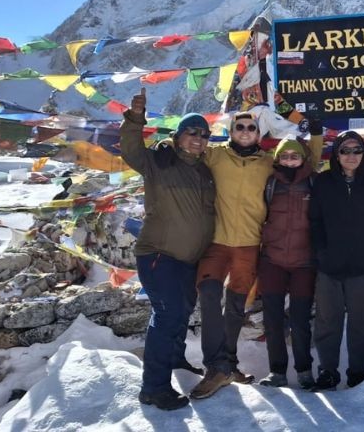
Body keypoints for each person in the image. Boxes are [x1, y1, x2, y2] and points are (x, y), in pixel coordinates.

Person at [120, 89, 215, 411]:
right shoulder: (160, 161)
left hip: (189, 259)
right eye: (192, 132)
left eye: (204, 134)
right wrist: (135, 119)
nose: (199, 139)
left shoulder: (205, 171)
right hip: (159, 255)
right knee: (167, 315)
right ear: (178, 137)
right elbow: (131, 151)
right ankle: (154, 388)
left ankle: (176, 360)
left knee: (182, 312)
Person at [190, 110, 272, 399]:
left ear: (259, 134)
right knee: (209, 294)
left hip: (249, 244)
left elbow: (302, 165)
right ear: (231, 130)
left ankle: (229, 364)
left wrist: (312, 135)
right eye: (240, 127)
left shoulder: (268, 163)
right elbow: (188, 151)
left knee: (236, 306)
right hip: (217, 242)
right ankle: (215, 367)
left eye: (252, 127)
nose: (246, 131)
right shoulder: (216, 156)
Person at [309, 131, 364, 390]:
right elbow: (314, 220)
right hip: (330, 266)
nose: (351, 156)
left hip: (363, 265)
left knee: (360, 324)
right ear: (336, 155)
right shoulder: (324, 182)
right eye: (345, 151)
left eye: (356, 150)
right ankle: (327, 371)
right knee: (327, 321)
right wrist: (321, 250)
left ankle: (358, 372)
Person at [256, 133, 321, 390]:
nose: (290, 160)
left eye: (295, 156)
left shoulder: (315, 184)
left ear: (303, 158)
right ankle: (277, 371)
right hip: (272, 260)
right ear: (278, 158)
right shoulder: (271, 183)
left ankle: (304, 370)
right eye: (284, 156)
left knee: (300, 319)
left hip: (304, 262)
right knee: (272, 319)